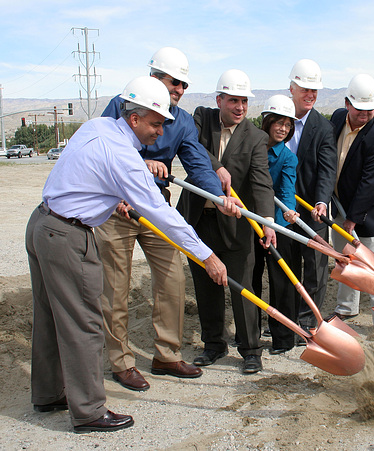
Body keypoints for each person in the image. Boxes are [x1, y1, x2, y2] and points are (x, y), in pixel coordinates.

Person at [26, 77, 229, 433]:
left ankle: (48, 394)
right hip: (67, 236)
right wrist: (207, 255)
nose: (160, 131)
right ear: (134, 118)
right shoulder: (124, 156)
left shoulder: (97, 126)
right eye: (155, 123)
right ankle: (88, 411)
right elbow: (159, 213)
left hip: (42, 224)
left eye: (164, 123)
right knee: (84, 322)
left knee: (49, 317)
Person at [97, 47, 240, 392]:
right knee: (116, 286)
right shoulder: (121, 104)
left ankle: (166, 354)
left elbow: (197, 164)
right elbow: (104, 148)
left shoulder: (183, 121)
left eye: (183, 85)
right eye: (174, 82)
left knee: (173, 277)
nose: (178, 89)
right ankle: (121, 362)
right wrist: (139, 165)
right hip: (117, 205)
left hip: (156, 205)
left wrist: (217, 198)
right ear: (154, 76)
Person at [177, 69, 275, 373]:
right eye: (233, 100)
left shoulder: (256, 137)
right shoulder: (201, 118)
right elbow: (191, 148)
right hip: (199, 220)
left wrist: (268, 220)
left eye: (244, 101)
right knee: (206, 286)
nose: (240, 107)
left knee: (243, 288)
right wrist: (217, 166)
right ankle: (214, 345)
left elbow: (261, 182)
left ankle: (250, 349)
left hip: (236, 227)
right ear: (219, 99)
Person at [329, 74, 374, 340]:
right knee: (345, 259)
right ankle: (347, 307)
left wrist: (352, 218)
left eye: (370, 110)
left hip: (368, 213)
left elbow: (371, 183)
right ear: (347, 103)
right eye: (359, 110)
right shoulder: (336, 119)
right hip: (339, 205)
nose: (365, 115)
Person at [286, 59, 338, 333]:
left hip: (312, 209)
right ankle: (287, 317)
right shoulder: (277, 119)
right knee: (288, 265)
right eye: (304, 89)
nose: (310, 95)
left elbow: (328, 170)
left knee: (316, 268)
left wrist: (322, 201)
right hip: (283, 208)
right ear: (291, 87)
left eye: (314, 91)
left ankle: (309, 319)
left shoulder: (323, 127)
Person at [251, 95, 301, 353]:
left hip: (278, 227)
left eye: (288, 124)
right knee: (251, 278)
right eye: (278, 123)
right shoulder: (252, 146)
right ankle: (249, 333)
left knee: (281, 282)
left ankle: (283, 337)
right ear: (267, 122)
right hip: (249, 222)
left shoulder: (288, 158)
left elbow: (286, 191)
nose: (283, 129)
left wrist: (287, 215)